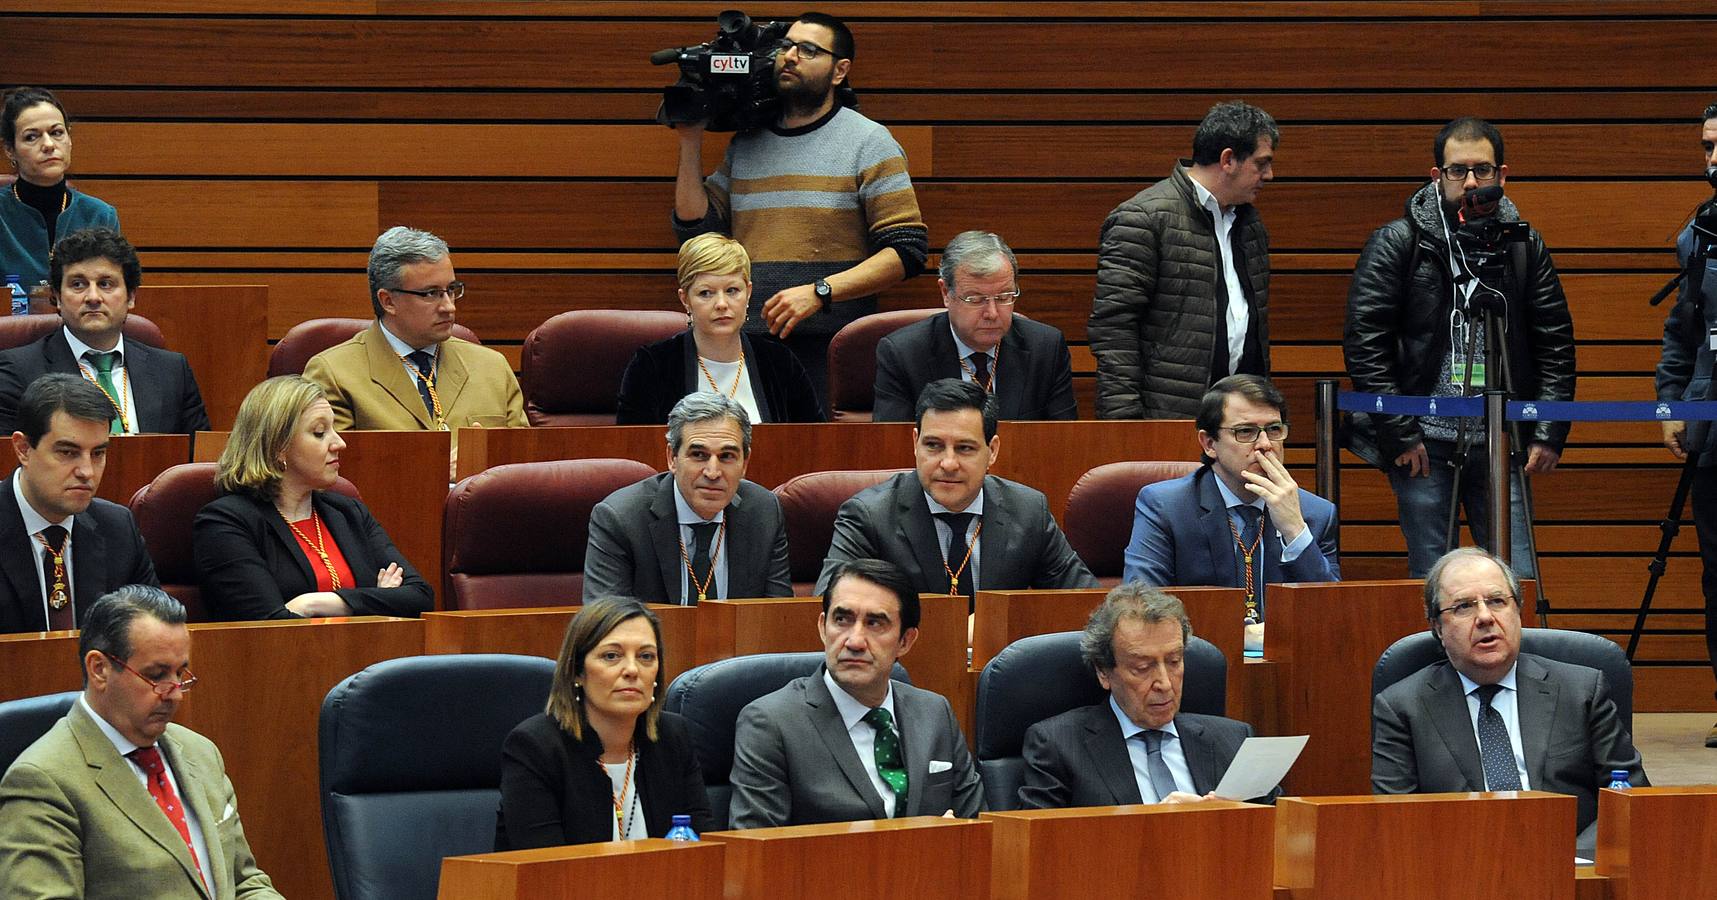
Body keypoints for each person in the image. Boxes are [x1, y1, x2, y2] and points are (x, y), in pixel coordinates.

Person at [1345, 117, 1575, 579]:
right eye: (1458, 170)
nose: (1471, 181)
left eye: (1483, 170)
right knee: (1434, 581)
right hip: (1423, 443)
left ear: (1502, 175)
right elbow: (1366, 340)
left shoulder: (1523, 245)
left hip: (1501, 442)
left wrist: (1548, 430)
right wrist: (1399, 432)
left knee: (1517, 577)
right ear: (1437, 176)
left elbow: (1555, 341)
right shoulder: (1400, 241)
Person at [672, 11, 928, 406]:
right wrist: (691, 142)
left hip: (832, 346)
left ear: (839, 71)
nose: (790, 56)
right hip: (746, 343)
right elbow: (696, 229)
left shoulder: (869, 142)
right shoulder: (747, 141)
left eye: (808, 49)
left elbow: (906, 251)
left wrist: (821, 292)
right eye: (786, 46)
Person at [0, 586, 282, 899]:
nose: (174, 693)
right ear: (100, 669)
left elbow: (245, 883)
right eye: (157, 675)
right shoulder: (43, 781)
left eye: (180, 673)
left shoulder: (200, 752)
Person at [1372, 548, 1647, 852]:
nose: (1486, 617)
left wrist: (1572, 861)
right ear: (1437, 626)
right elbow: (1394, 819)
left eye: (1497, 601)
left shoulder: (1581, 689)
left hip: (1572, 870)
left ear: (1518, 612)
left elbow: (1631, 798)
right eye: (1464, 606)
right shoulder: (1401, 707)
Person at [729, 558, 982, 828]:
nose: (855, 641)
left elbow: (980, 830)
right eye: (842, 620)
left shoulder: (934, 712)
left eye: (875, 623)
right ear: (822, 628)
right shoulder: (771, 723)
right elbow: (756, 853)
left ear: (906, 641)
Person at [816, 378, 1097, 611]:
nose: (948, 463)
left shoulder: (1027, 510)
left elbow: (1085, 604)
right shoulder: (869, 516)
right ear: (915, 444)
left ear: (993, 451)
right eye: (934, 446)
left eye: (964, 448)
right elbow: (828, 610)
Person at [1089, 101, 1277, 420]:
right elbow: (1114, 330)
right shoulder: (1144, 219)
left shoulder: (1250, 225)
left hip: (1237, 422)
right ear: (1228, 159)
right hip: (1166, 418)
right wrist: (1124, 426)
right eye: (1261, 163)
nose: (1269, 175)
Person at [1123, 375, 1338, 652]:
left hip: (1287, 669)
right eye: (1245, 432)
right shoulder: (1165, 506)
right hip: (1198, 668)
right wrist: (1242, 638)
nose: (1265, 445)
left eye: (1274, 429)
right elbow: (1142, 607)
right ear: (1209, 443)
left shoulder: (1315, 513)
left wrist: (1295, 531)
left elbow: (1332, 617)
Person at [192, 375, 432, 621]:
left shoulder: (348, 512)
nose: (339, 443)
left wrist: (312, 604)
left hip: (369, 654)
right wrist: (378, 600)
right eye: (319, 433)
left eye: (334, 429)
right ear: (278, 447)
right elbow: (267, 624)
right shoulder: (226, 523)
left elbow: (419, 596)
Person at [1019, 584, 1278, 808]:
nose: (1165, 684)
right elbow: (1038, 849)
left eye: (1174, 661)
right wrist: (1155, 824)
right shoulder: (1058, 746)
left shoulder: (1233, 741)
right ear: (1103, 672)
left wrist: (1227, 820)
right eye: (1142, 668)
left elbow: (1282, 833)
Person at [303, 226, 527, 480]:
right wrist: (436, 468)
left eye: (451, 290)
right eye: (431, 294)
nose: (448, 306)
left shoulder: (492, 367)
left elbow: (525, 464)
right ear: (388, 301)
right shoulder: (333, 374)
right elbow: (335, 476)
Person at [495, 596, 714, 848]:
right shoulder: (536, 748)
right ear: (577, 671)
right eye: (611, 656)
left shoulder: (673, 738)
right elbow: (545, 870)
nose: (632, 670)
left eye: (646, 656)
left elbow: (706, 852)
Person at [0, 227, 210, 435]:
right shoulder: (17, 371)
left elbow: (196, 460)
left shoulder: (172, 371)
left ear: (131, 297)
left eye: (105, 284)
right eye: (78, 284)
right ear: (57, 297)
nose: (93, 297)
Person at [584, 393, 791, 604]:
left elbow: (777, 617)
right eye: (699, 455)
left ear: (745, 464)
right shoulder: (621, 519)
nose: (712, 472)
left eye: (726, 456)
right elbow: (606, 625)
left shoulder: (764, 512)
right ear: (672, 458)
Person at [0, 374, 157, 634]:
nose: (87, 471)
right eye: (68, 452)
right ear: (23, 449)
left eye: (98, 453)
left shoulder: (118, 528)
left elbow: (152, 637)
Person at [1655, 100, 1717, 748]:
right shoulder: (1698, 235)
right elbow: (1682, 332)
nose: (1711, 160)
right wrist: (1670, 402)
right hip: (1711, 434)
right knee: (1715, 571)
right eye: (1705, 146)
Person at [616, 233, 822, 424]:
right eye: (706, 293)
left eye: (732, 291)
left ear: (748, 293)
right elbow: (635, 450)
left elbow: (816, 445)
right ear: (685, 299)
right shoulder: (651, 366)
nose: (721, 303)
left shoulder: (780, 363)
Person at [873, 230, 1077, 422]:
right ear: (946, 293)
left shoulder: (1046, 349)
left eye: (1004, 297)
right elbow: (893, 448)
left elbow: (1063, 443)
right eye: (976, 299)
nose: (992, 313)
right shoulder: (903, 354)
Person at [0, 87, 120, 287]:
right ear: (10, 150)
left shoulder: (100, 215)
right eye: (31, 137)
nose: (48, 144)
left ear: (69, 139)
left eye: (56, 133)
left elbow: (110, 291)